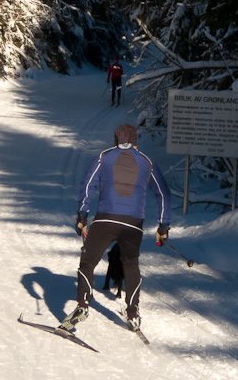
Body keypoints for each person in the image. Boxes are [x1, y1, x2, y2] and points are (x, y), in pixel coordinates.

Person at [61, 123, 171, 336]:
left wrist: (82, 214)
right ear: (135, 139)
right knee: (130, 265)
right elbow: (163, 193)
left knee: (88, 261)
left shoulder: (104, 157)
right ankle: (133, 313)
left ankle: (83, 305)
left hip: (105, 219)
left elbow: (87, 185)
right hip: (133, 223)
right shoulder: (147, 162)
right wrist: (163, 225)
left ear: (115, 138)